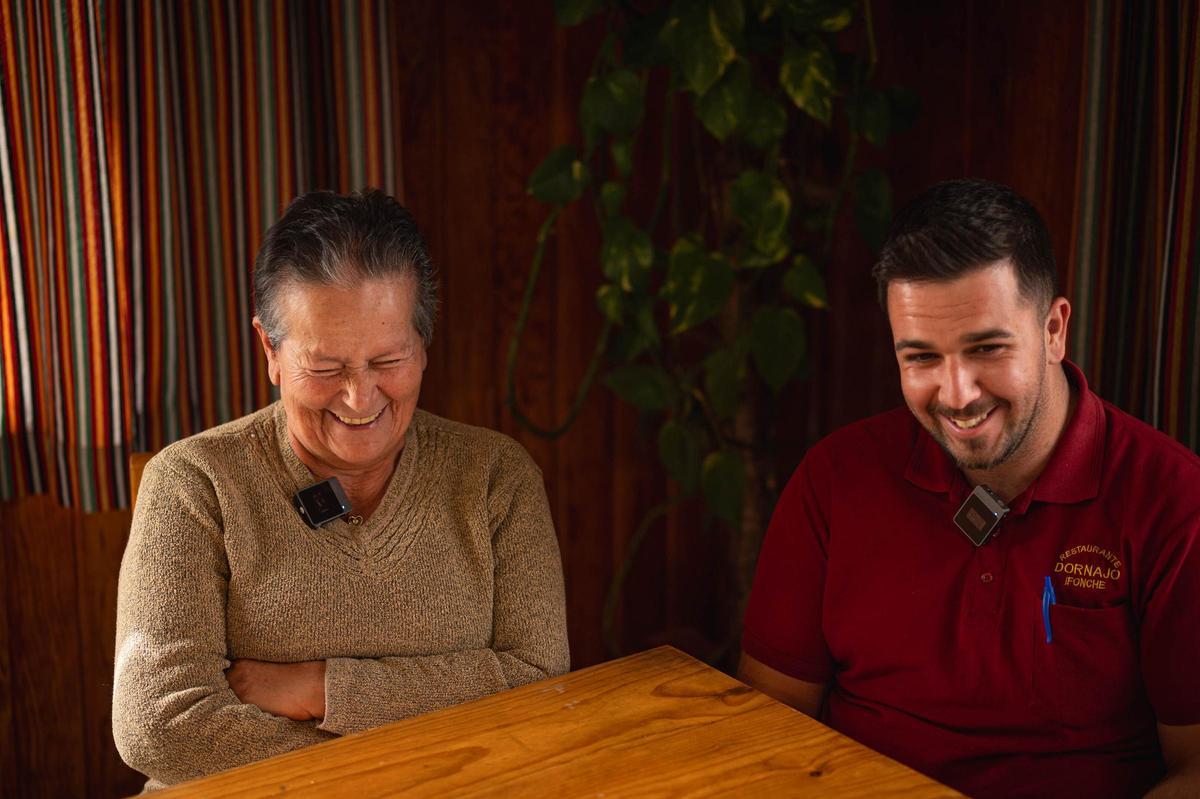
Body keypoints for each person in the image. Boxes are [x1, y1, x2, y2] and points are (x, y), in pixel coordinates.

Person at [738, 179, 1200, 798]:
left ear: (1054, 330)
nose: (956, 395)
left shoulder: (1173, 500)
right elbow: (766, 727)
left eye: (986, 348)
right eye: (921, 358)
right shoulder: (834, 479)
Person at [113, 190, 569, 790]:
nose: (360, 398)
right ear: (270, 350)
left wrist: (322, 688)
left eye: (388, 360)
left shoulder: (494, 476)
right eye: (327, 368)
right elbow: (159, 726)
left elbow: (540, 681)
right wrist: (410, 758)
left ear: (424, 347)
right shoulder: (193, 483)